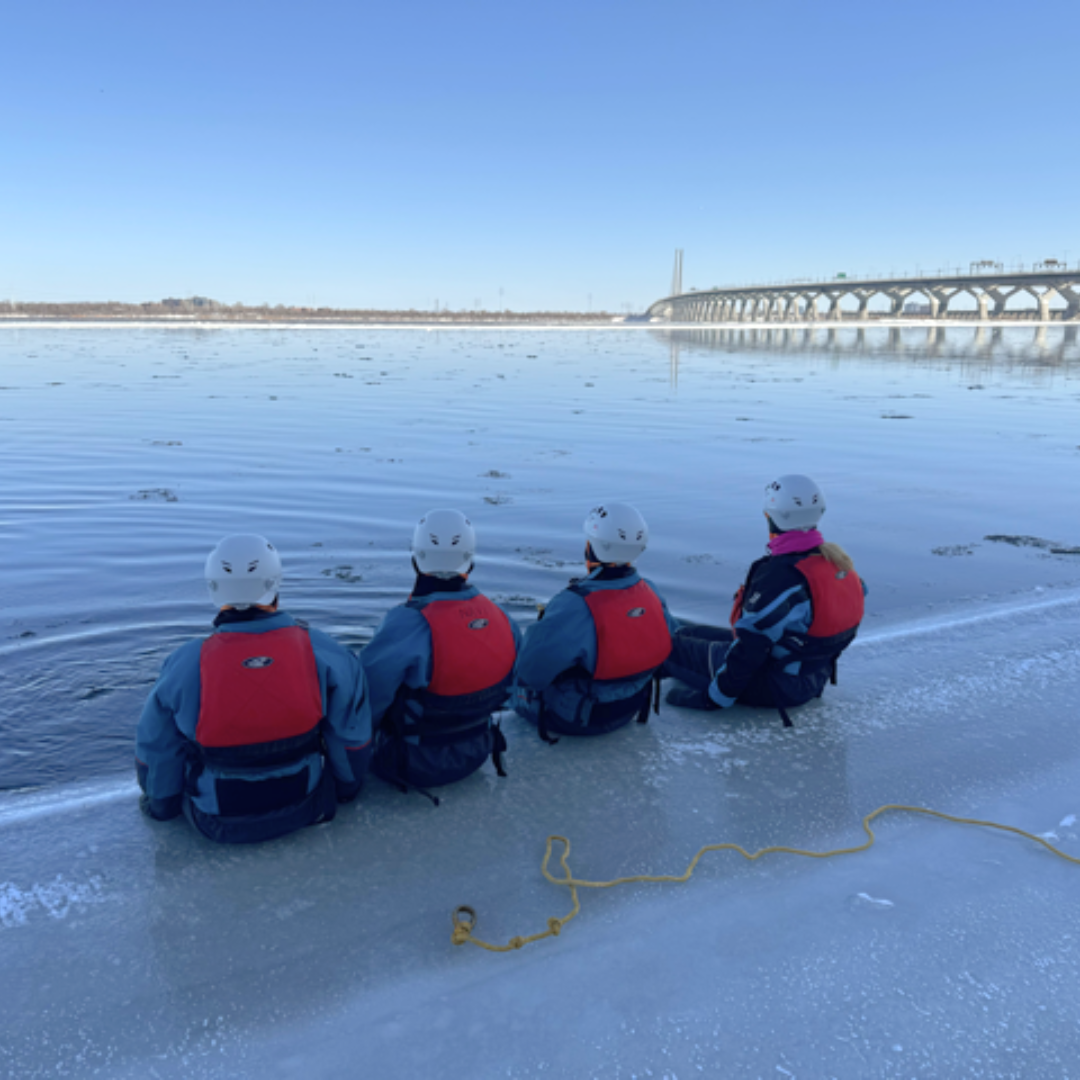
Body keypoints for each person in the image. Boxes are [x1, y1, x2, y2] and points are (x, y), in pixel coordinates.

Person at [136, 534, 372, 843]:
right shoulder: (326, 652)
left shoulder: (183, 664)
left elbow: (156, 747)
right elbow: (350, 735)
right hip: (307, 804)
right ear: (275, 583)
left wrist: (161, 807)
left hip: (216, 820)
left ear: (213, 588)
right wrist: (347, 790)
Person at [665, 475, 866, 725]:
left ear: (772, 517)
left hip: (774, 684)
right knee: (690, 632)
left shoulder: (781, 576)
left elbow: (750, 649)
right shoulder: (839, 566)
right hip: (811, 677)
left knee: (665, 648)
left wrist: (714, 699)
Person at [360, 509, 522, 800]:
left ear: (415, 558)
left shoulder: (405, 624)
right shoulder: (503, 619)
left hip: (410, 763)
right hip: (476, 754)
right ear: (470, 560)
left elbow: (366, 701)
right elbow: (513, 685)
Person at [513, 502, 678, 740]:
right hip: (629, 708)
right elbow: (670, 636)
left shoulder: (575, 604)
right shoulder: (651, 592)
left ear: (591, 547)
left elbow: (530, 672)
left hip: (580, 717)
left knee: (509, 677)